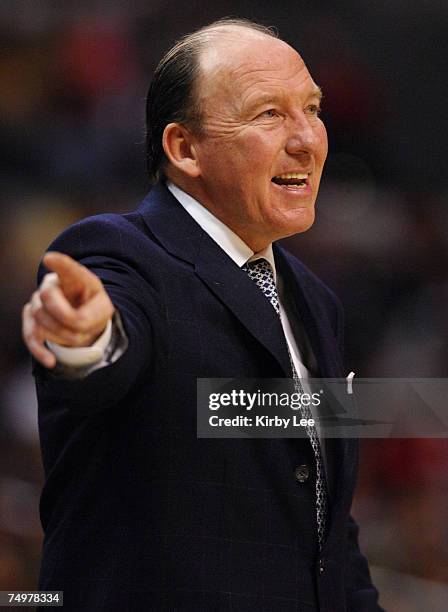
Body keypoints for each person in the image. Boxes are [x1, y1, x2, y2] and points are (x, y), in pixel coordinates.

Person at [22, 18, 383, 611]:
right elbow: (106, 346)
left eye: (312, 109)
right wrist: (85, 341)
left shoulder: (318, 302)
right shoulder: (118, 254)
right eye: (269, 114)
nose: (308, 139)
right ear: (184, 148)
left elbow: (328, 529)